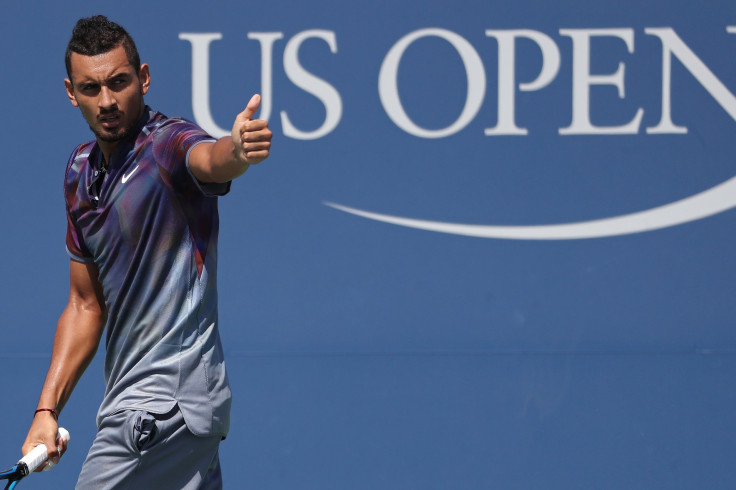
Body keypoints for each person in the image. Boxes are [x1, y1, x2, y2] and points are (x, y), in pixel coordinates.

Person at [21, 15, 272, 489]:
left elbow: (211, 158)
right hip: (147, 405)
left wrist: (236, 151)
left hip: (163, 407)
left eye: (119, 82)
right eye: (91, 89)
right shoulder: (78, 173)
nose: (108, 101)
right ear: (72, 93)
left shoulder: (168, 143)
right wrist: (47, 409)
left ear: (144, 78)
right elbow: (85, 304)